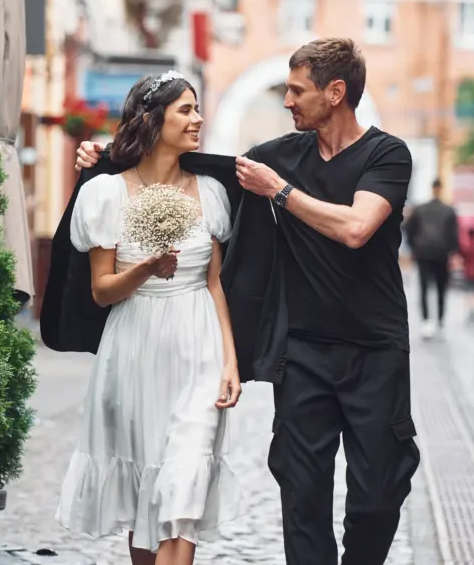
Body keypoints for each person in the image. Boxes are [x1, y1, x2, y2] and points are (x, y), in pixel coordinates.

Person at [72, 39, 419, 565]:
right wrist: (102, 158)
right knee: (301, 491)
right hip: (302, 353)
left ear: (336, 92)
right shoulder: (281, 154)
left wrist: (279, 192)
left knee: (377, 494)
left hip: (375, 350)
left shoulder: (387, 154)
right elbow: (187, 161)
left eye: (297, 91)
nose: (287, 101)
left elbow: (356, 228)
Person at [55, 72, 242, 565]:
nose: (198, 118)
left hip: (199, 344)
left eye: (197, 108)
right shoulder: (106, 194)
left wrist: (230, 361)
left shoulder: (211, 192)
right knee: (146, 493)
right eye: (186, 110)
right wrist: (145, 268)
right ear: (153, 121)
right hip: (134, 347)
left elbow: (215, 282)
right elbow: (101, 291)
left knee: (186, 483)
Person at [404, 179, 459, 339]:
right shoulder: (448, 210)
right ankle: (440, 320)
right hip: (441, 253)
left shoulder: (420, 209)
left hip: (423, 252)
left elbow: (409, 229)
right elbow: (453, 234)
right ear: (441, 189)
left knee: (424, 287)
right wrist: (453, 251)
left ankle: (426, 320)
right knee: (441, 288)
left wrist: (413, 247)